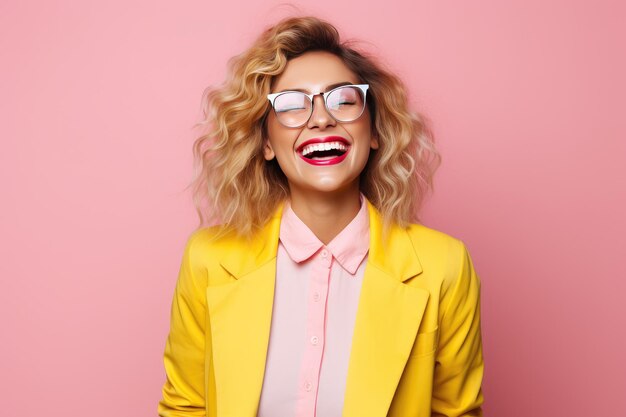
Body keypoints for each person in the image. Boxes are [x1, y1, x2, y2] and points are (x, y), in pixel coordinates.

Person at [158, 15, 484, 417]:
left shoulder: (443, 267)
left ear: (375, 129)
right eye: (292, 105)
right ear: (265, 143)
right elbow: (185, 406)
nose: (321, 118)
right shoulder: (208, 259)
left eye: (344, 100)